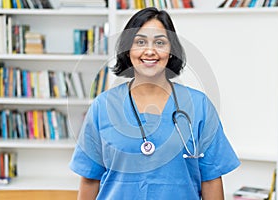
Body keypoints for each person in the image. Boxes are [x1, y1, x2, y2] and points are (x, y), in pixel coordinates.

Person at [69, 7, 240, 200]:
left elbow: (211, 179)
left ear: (171, 50)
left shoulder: (199, 106)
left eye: (160, 42)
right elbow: (90, 179)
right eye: (140, 42)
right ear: (127, 50)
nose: (150, 51)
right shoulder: (103, 106)